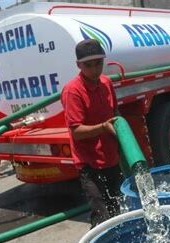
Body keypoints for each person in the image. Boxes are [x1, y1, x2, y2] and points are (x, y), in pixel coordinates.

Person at [61, 39, 123, 228]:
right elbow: (77, 132)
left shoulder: (106, 83)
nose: (95, 69)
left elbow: (115, 114)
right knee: (101, 215)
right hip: (90, 164)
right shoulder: (73, 91)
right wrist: (103, 127)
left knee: (118, 210)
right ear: (78, 65)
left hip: (111, 158)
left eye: (99, 63)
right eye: (88, 65)